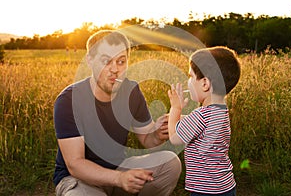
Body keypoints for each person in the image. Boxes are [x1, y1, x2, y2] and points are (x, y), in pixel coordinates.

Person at [53, 30, 181, 196]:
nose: (115, 69)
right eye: (106, 61)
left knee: (170, 163)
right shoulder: (69, 100)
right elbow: (75, 164)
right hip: (79, 180)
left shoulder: (131, 91)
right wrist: (119, 178)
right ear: (90, 61)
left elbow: (148, 140)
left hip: (119, 169)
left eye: (121, 61)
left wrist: (158, 133)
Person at [167, 46, 241, 196]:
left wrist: (175, 109)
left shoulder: (201, 115)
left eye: (191, 76)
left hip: (205, 190)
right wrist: (180, 119)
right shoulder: (221, 111)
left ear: (205, 83)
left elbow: (174, 138)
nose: (188, 81)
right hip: (225, 186)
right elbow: (201, 127)